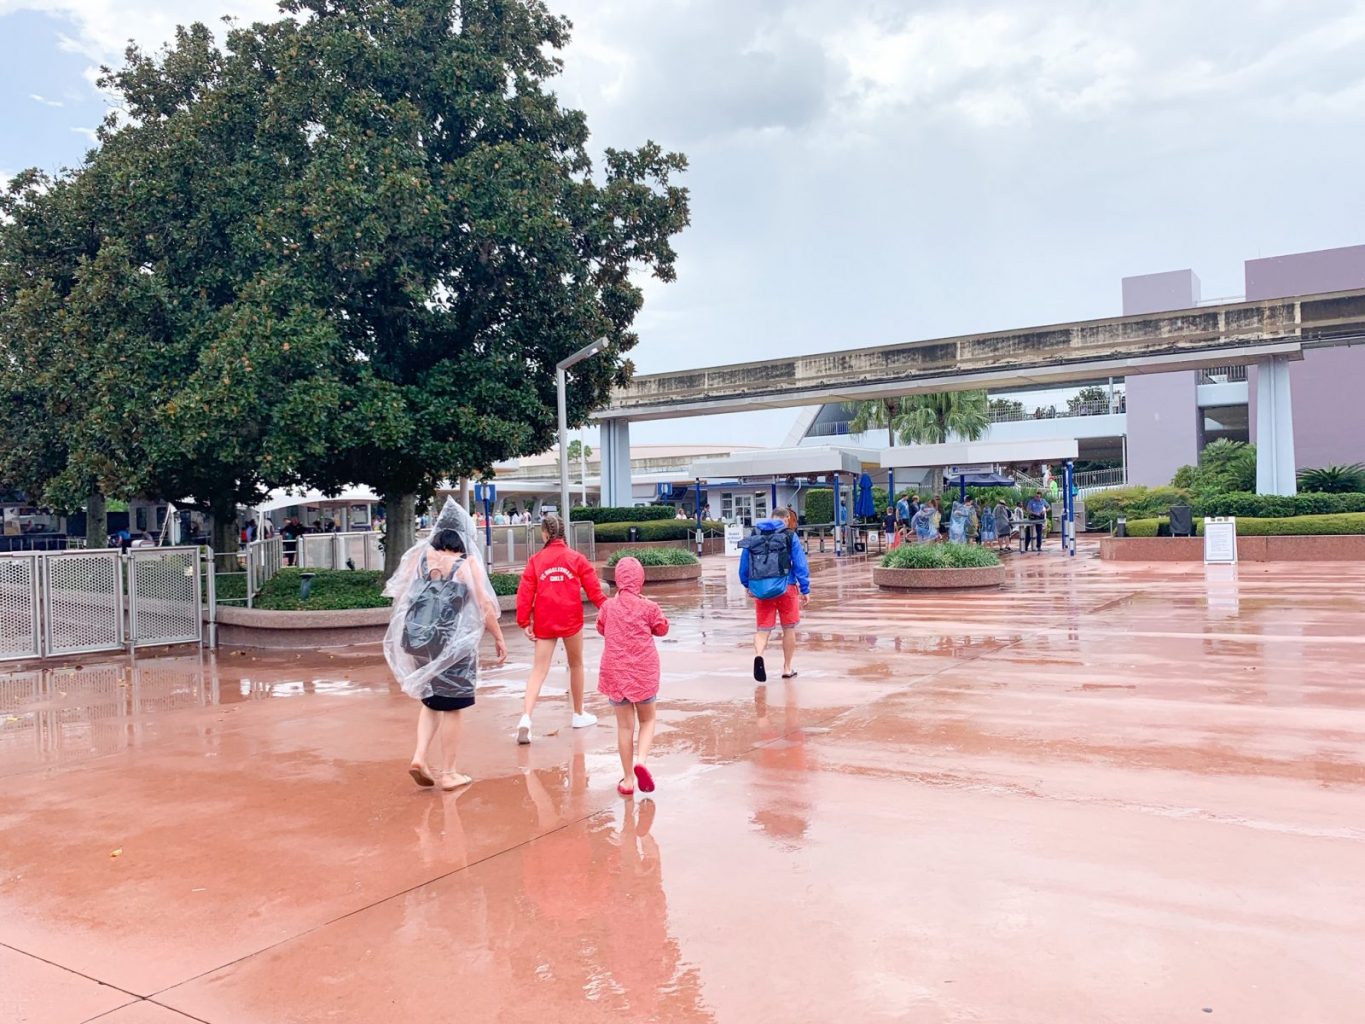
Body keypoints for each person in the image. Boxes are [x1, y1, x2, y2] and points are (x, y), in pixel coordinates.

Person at [385, 498, 507, 792]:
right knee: (452, 707)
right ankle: (449, 772)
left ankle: (419, 757)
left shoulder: (420, 558)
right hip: (452, 646)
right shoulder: (467, 564)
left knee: (431, 700)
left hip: (418, 641)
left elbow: (400, 595)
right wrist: (499, 637)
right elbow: (484, 606)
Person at [514, 512, 608, 744]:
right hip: (571, 619)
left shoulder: (536, 561)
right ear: (563, 533)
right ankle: (578, 714)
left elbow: (525, 593)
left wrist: (524, 621)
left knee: (539, 670)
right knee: (576, 664)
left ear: (545, 534)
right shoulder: (576, 558)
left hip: (545, 620)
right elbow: (594, 590)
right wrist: (608, 611)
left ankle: (526, 717)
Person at [596, 556, 669, 797]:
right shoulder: (648, 607)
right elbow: (662, 628)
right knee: (647, 720)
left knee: (624, 727)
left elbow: (600, 627)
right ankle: (642, 760)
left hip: (616, 673)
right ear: (641, 580)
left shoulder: (608, 606)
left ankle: (628, 779)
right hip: (643, 673)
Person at [738, 507, 810, 683]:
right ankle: (787, 668)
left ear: (771, 517)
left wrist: (748, 585)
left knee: (763, 629)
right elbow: (800, 563)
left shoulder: (755, 534)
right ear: (785, 519)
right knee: (789, 628)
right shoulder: (789, 535)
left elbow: (744, 565)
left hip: (762, 588)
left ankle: (759, 655)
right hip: (787, 586)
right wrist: (806, 588)